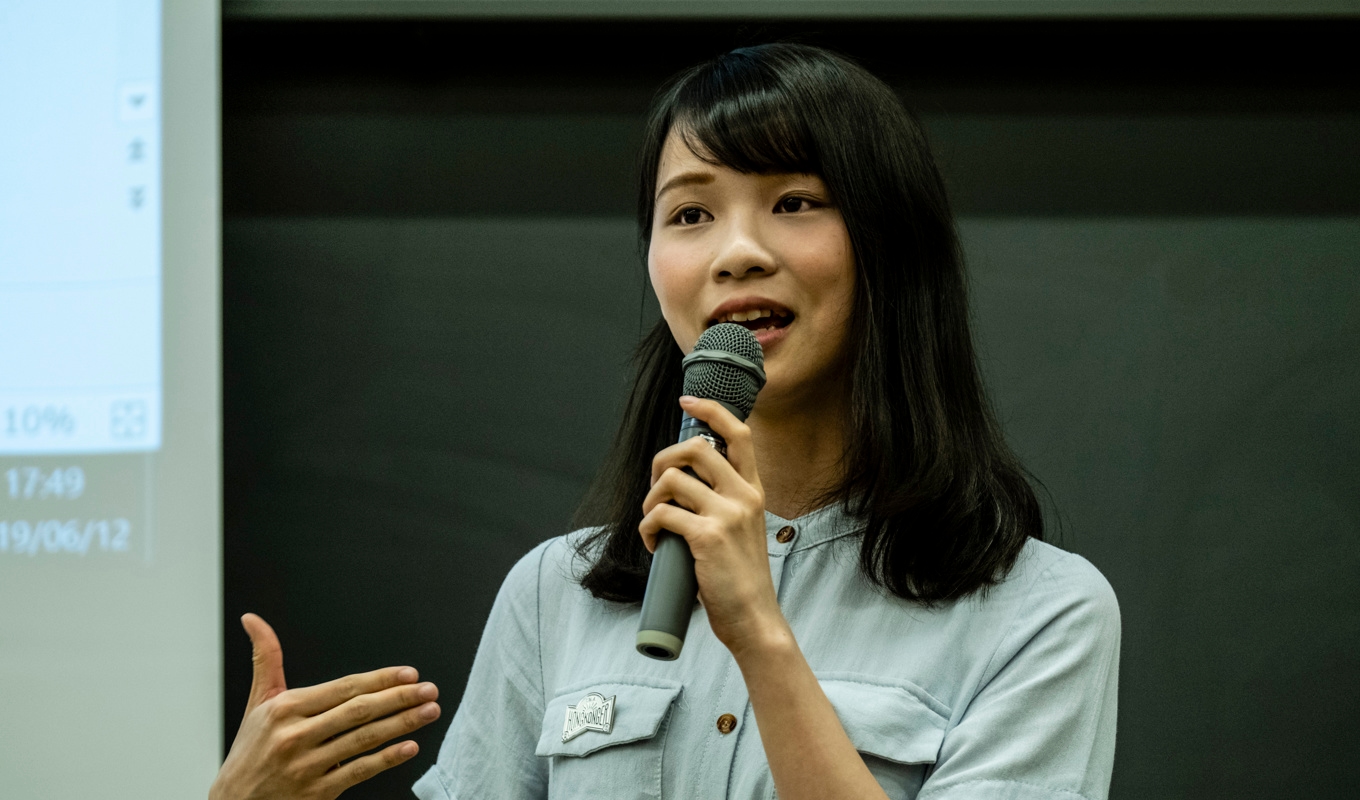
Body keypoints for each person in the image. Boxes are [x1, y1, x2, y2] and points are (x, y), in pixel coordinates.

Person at [212, 43, 1120, 800]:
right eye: (689, 213)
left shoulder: (1041, 614)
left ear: (891, 240)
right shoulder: (553, 595)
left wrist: (760, 634)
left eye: (794, 202)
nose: (736, 252)